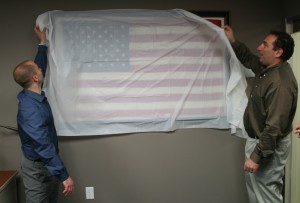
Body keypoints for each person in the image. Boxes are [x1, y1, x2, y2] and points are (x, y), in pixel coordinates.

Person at [223, 25, 298, 203]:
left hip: (266, 146)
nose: (259, 48)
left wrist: (256, 157)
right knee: (256, 193)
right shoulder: (268, 70)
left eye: (265, 45)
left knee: (266, 195)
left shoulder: (280, 82)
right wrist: (233, 41)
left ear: (278, 52)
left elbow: (274, 126)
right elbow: (249, 59)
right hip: (259, 142)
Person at [13, 26, 74, 202]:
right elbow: (43, 145)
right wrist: (64, 176)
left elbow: (37, 66)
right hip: (37, 167)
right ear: (34, 78)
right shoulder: (30, 110)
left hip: (48, 163)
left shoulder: (32, 93)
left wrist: (42, 43)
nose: (40, 69)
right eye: (38, 70)